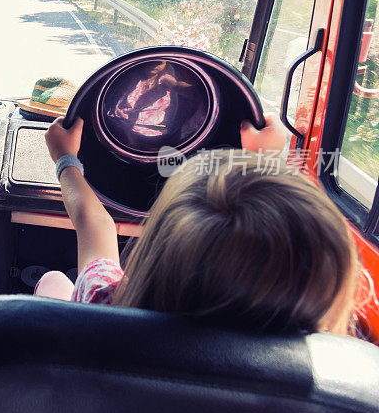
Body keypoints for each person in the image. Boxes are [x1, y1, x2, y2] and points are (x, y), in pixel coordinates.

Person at [38, 114, 365, 335]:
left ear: (157, 249)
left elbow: (93, 224)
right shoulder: (332, 388)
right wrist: (265, 164)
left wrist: (66, 159)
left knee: (54, 281)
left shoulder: (105, 303)